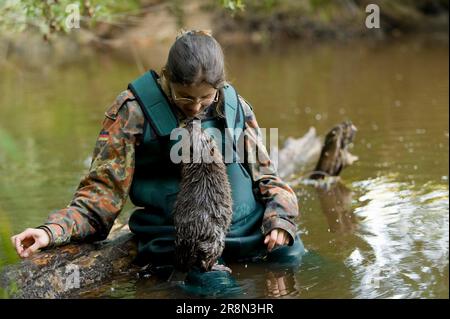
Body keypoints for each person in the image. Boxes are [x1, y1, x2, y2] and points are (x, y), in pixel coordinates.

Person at [10, 30, 304, 269]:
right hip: (181, 243)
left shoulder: (234, 105)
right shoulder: (133, 112)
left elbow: (269, 179)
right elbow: (100, 197)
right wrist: (51, 231)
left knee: (299, 263)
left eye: (206, 98)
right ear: (167, 77)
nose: (197, 107)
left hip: (252, 232)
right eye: (185, 97)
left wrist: (280, 220)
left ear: (220, 86)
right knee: (217, 293)